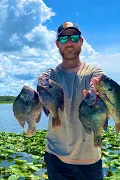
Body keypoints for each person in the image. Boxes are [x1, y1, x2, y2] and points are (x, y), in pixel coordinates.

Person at [38, 21, 105, 180]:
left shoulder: (93, 71)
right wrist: (41, 85)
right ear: (57, 44)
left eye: (74, 38)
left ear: (81, 42)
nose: (69, 43)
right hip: (56, 157)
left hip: (90, 157)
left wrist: (94, 88)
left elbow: (98, 80)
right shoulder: (51, 75)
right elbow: (44, 82)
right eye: (63, 39)